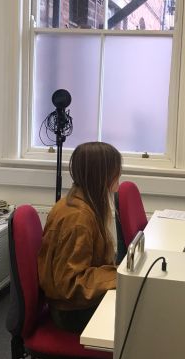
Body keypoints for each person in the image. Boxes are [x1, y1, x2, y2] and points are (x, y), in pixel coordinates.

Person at [38, 141, 122, 333]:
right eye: (115, 171)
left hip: (76, 304)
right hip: (71, 312)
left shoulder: (82, 203)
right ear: (101, 175)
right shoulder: (78, 219)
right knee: (140, 313)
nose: (118, 176)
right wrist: (118, 278)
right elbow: (70, 284)